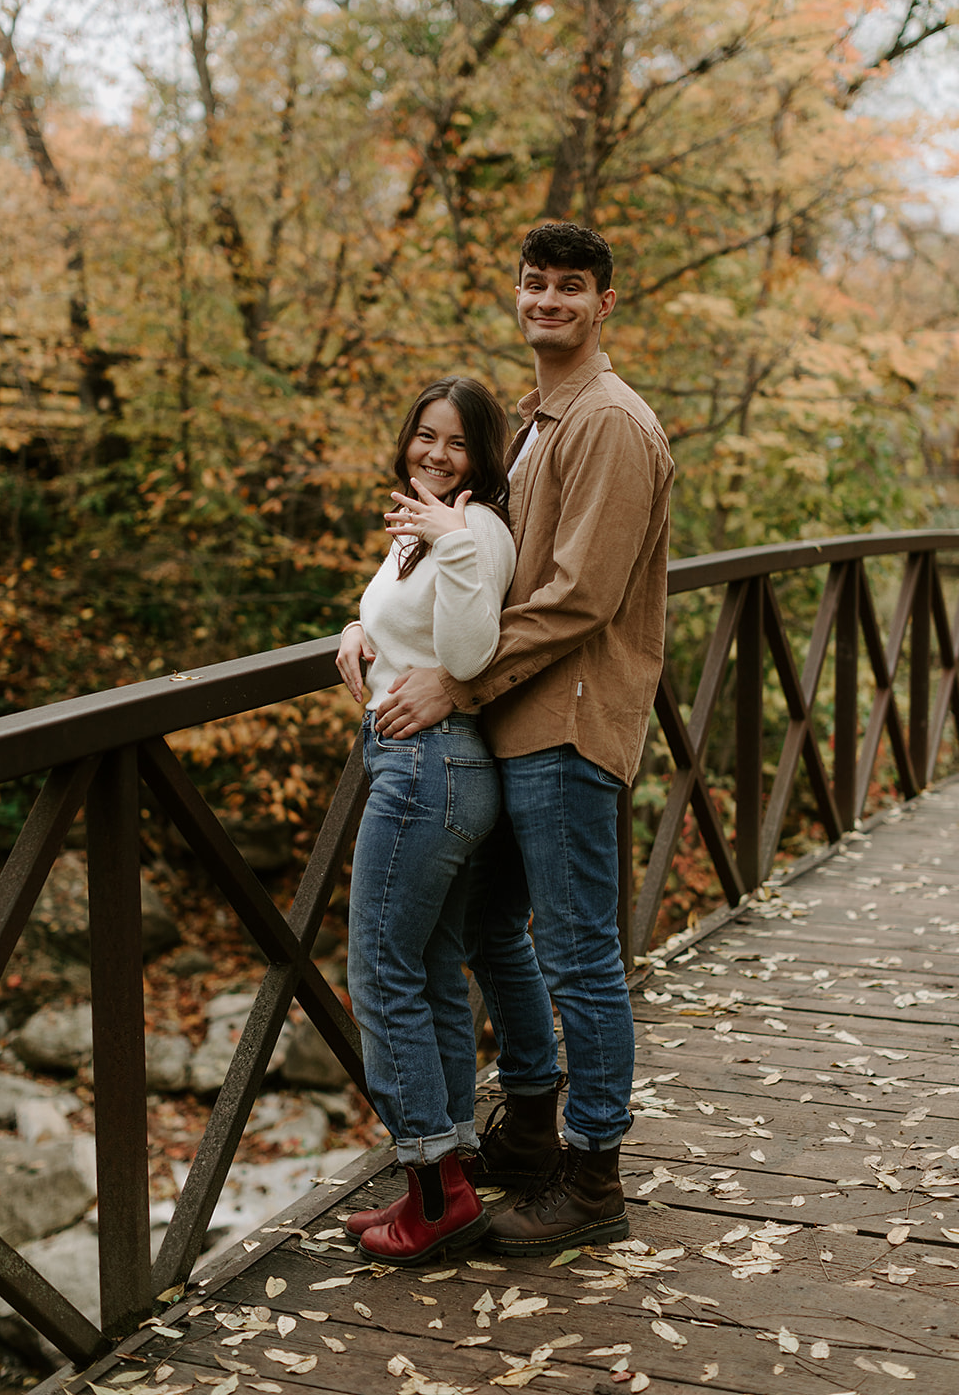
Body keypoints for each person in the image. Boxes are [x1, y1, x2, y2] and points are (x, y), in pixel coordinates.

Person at [374, 222, 674, 1255]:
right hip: (512, 723)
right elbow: (482, 573)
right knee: (499, 933)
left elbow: (579, 597)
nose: (546, 300)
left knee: (579, 952)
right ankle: (535, 1137)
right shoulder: (542, 420)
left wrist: (458, 682)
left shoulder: (611, 425)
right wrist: (371, 631)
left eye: (569, 287)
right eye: (533, 283)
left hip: (567, 719)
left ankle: (593, 1178)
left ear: (603, 305)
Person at [335, 376, 517, 1266]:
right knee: (433, 969)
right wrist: (357, 630)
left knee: (378, 970)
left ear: (484, 457)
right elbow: (412, 625)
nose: (434, 455)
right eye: (423, 436)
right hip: (426, 767)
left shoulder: (469, 528)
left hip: (427, 769)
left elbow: (469, 653)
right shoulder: (426, 523)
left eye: (455, 444)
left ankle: (434, 1195)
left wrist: (449, 542)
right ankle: (448, 1174)